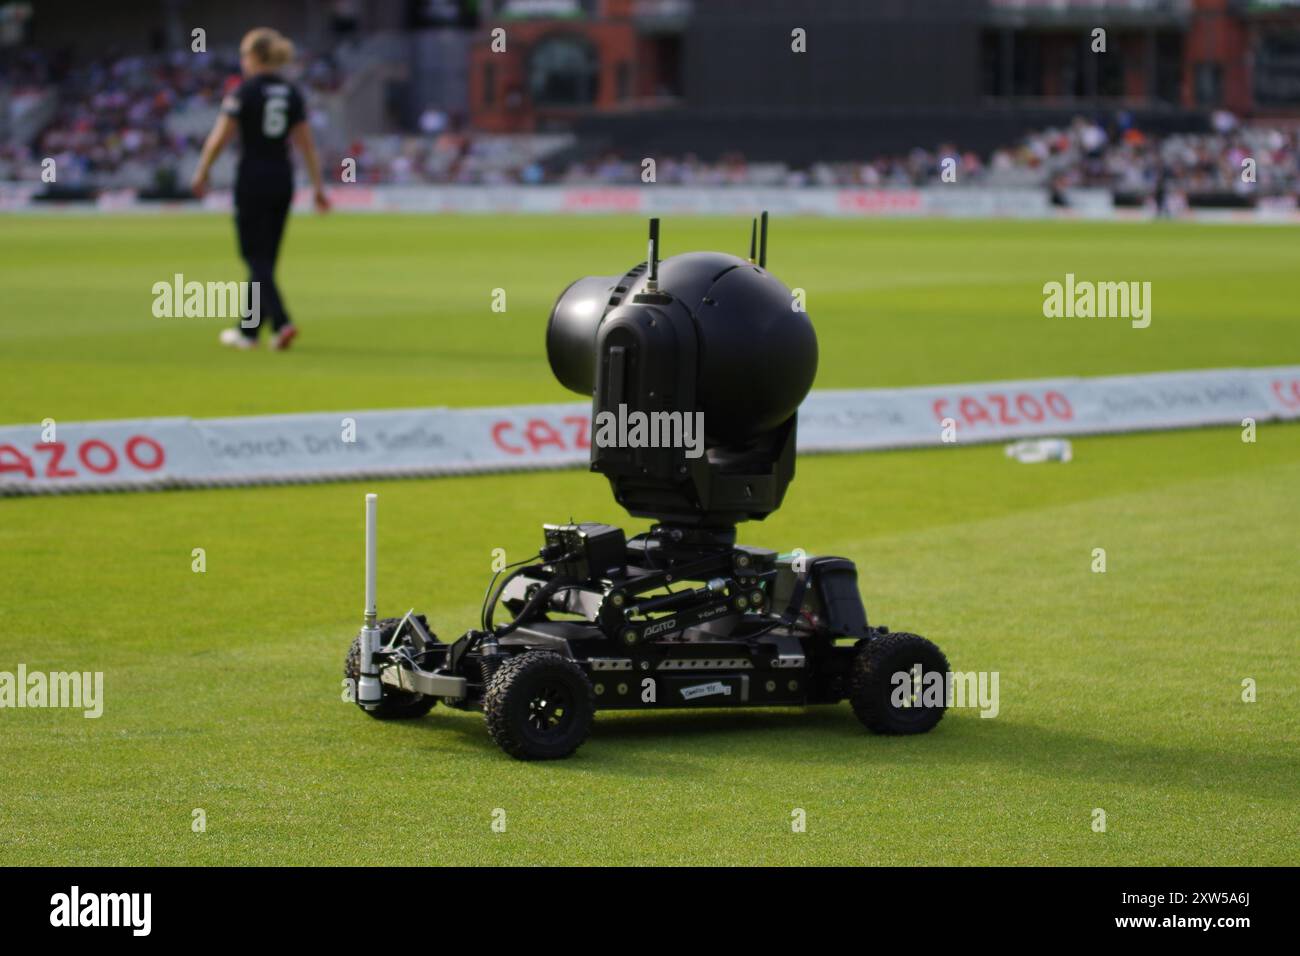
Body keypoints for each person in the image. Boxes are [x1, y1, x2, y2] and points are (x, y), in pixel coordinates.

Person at [190, 27, 329, 350]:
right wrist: (319, 188)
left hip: (253, 177)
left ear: (253, 57)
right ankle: (249, 330)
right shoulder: (292, 92)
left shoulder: (244, 92)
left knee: (254, 256)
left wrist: (202, 172)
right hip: (283, 178)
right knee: (266, 259)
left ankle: (282, 322)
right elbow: (307, 147)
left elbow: (219, 138)